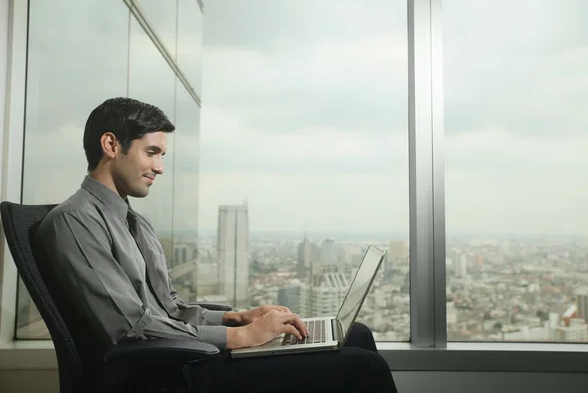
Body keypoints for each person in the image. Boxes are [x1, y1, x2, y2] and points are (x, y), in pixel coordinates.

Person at [36, 97, 399, 392]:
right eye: (151, 153)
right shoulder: (76, 221)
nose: (160, 167)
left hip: (183, 358)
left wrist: (236, 317)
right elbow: (131, 329)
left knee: (357, 335)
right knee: (363, 368)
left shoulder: (135, 223)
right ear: (111, 145)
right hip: (162, 377)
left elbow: (170, 310)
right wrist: (241, 336)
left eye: (162, 155)